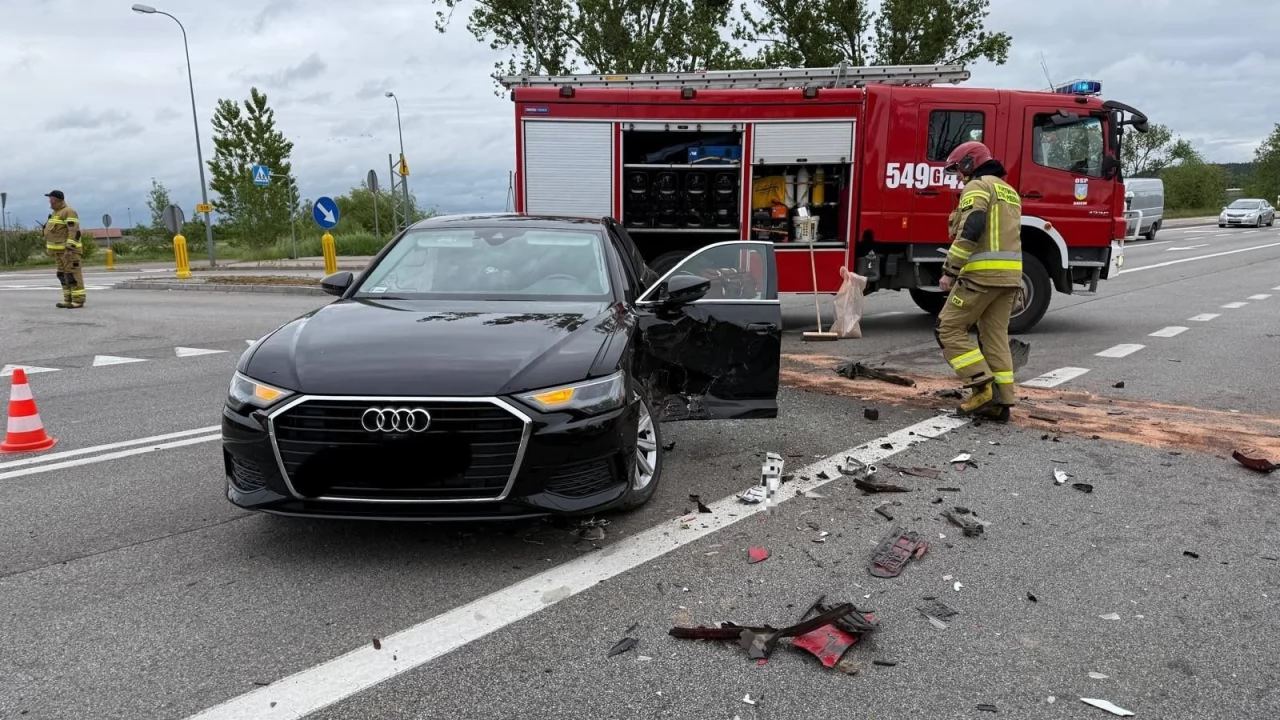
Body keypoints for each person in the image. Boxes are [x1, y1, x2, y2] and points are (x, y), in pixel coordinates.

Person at [935, 142, 1022, 421]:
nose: (958, 177)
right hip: (1010, 278)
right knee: (995, 338)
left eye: (959, 170)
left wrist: (950, 271)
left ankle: (981, 386)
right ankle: (1001, 402)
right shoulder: (1009, 191)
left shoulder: (977, 187)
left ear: (970, 164)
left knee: (947, 329)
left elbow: (973, 226)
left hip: (981, 276)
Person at [43, 190, 85, 308]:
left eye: (50, 199)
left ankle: (78, 300)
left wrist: (69, 248)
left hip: (68, 252)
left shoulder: (68, 211)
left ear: (56, 199)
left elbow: (74, 231)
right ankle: (68, 299)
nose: (49, 201)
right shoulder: (56, 213)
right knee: (63, 275)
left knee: (73, 275)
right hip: (58, 252)